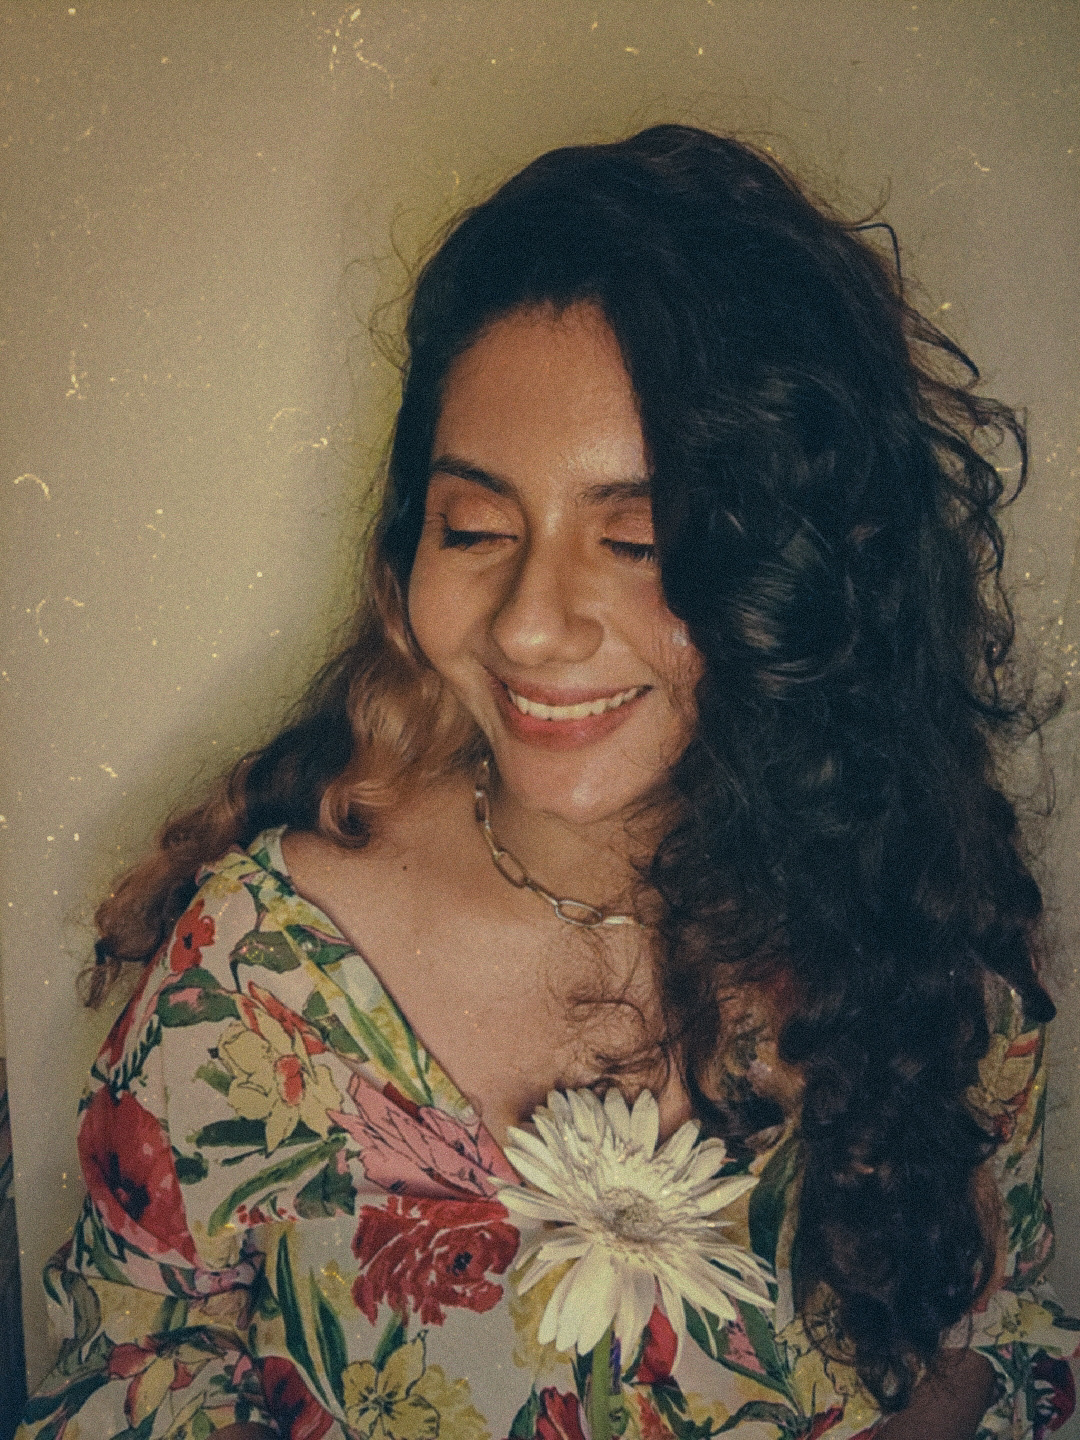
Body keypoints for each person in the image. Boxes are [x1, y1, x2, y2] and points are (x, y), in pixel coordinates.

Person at [16, 126, 1078, 1440]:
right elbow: (133, 1370)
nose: (530, 624)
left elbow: (989, 1337)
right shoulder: (254, 978)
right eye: (474, 528)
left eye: (638, 540)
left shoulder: (929, 936)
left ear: (801, 576)